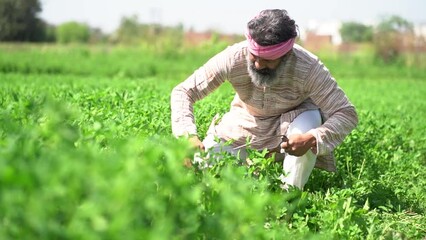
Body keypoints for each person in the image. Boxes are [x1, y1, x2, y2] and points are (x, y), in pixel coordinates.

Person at [170, 9, 358, 189]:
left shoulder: (308, 67)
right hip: (244, 125)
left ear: (286, 55)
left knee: (308, 123)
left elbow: (346, 113)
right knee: (202, 166)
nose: (259, 64)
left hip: (292, 123)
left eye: (268, 60)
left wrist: (311, 139)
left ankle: (289, 199)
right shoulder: (233, 58)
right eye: (254, 56)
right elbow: (184, 91)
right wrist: (187, 136)